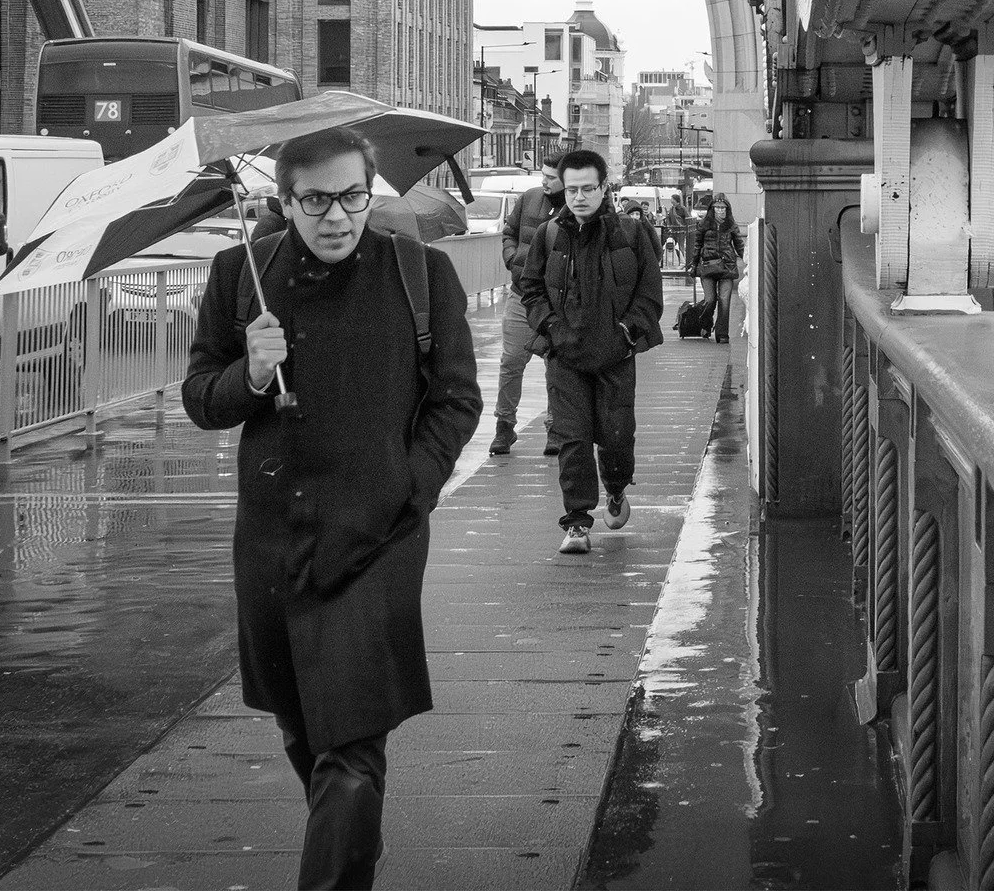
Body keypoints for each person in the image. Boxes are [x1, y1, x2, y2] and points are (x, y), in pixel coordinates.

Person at [183, 126, 482, 891]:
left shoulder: (421, 274)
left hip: (376, 539)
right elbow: (201, 399)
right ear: (284, 201)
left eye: (352, 195)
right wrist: (250, 375)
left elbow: (455, 399)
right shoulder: (239, 276)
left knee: (350, 746)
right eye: (315, 200)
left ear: (370, 191)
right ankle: (352, 845)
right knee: (303, 729)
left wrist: (409, 488)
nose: (338, 217)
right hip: (274, 543)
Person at [520, 149, 664, 555]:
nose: (579, 197)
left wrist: (625, 333)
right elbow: (530, 289)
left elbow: (649, 295)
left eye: (588, 188)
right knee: (572, 439)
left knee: (617, 438)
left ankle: (616, 489)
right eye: (572, 189)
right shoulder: (548, 235)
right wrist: (550, 327)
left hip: (615, 355)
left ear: (604, 188)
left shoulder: (632, 234)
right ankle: (578, 522)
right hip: (565, 356)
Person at [492, 155, 566, 456]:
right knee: (511, 362)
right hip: (522, 295)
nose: (544, 181)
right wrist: (513, 260)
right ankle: (504, 427)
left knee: (556, 367)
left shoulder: (573, 207)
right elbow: (509, 233)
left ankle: (555, 429)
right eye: (543, 174)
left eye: (551, 177)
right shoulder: (529, 198)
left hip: (556, 303)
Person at [686, 193, 746, 344]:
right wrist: (693, 264)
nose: (720, 210)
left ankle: (722, 334)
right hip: (708, 266)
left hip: (727, 267)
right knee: (710, 300)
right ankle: (706, 324)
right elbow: (697, 246)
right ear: (712, 209)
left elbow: (739, 245)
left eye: (723, 208)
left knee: (725, 300)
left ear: (727, 209)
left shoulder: (731, 225)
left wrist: (747, 260)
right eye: (717, 208)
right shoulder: (704, 224)